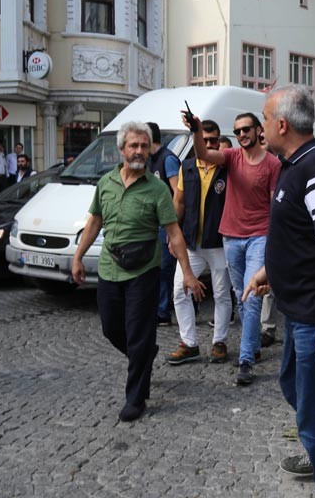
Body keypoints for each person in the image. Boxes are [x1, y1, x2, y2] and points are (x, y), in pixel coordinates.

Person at [244, 84, 315, 497]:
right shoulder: (294, 165)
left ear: (281, 124)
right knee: (294, 388)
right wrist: (269, 273)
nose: (259, 126)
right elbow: (300, 238)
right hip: (298, 310)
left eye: (263, 117)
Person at [71, 121, 204, 422]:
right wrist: (78, 257)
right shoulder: (105, 183)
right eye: (134, 145)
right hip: (109, 267)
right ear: (121, 150)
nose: (139, 151)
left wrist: (187, 273)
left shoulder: (157, 189)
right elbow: (94, 223)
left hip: (144, 269)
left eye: (144, 146)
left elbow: (174, 232)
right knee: (111, 328)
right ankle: (143, 355)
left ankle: (136, 398)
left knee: (140, 333)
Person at [185, 111, 281, 386]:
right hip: (230, 236)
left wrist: (275, 240)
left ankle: (246, 359)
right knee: (241, 296)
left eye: (245, 129)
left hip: (258, 236)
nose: (241, 135)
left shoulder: (273, 164)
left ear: (258, 130)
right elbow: (202, 154)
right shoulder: (232, 157)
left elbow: (275, 205)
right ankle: (254, 345)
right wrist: (197, 129)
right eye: (237, 131)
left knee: (251, 298)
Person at [165, 119, 233, 367]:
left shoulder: (227, 167)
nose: (208, 144)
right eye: (203, 139)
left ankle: (219, 341)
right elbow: (179, 202)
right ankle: (189, 343)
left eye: (213, 140)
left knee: (222, 294)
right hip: (191, 242)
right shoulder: (188, 166)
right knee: (179, 291)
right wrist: (171, 236)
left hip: (219, 243)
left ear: (219, 141)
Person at [146, 122, 181, 327]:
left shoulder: (167, 159)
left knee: (165, 269)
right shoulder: (151, 160)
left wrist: (171, 227)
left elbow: (177, 193)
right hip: (154, 224)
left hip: (166, 224)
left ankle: (163, 312)